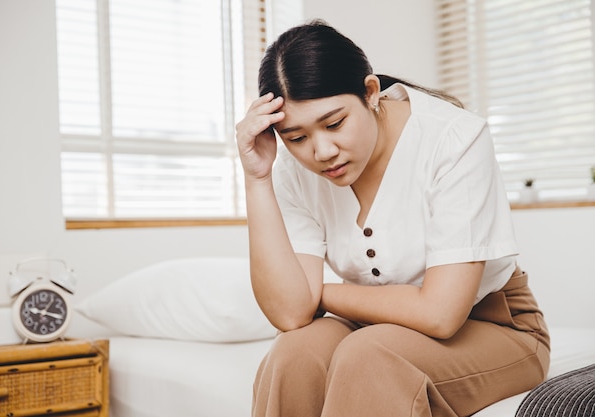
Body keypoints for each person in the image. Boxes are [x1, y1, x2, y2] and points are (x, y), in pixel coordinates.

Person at [235, 20, 550, 417]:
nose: (322, 151)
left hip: (493, 325)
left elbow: (440, 313)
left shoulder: (454, 138)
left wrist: (317, 294)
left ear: (370, 93)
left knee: (371, 356)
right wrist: (257, 178)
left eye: (335, 123)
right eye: (296, 137)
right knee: (295, 352)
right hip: (374, 327)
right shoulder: (293, 168)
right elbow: (289, 314)